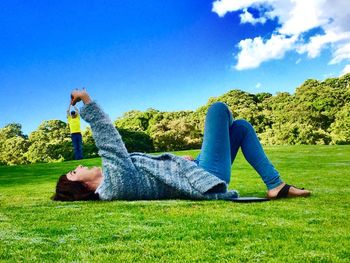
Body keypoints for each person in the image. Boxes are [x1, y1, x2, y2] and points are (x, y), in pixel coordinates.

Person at [53, 89, 310, 201]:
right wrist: (87, 100)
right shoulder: (114, 184)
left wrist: (179, 163)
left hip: (195, 171)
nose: (80, 166)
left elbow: (154, 175)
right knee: (219, 110)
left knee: (241, 127)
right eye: (75, 172)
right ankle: (275, 185)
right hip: (206, 178)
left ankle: (275, 185)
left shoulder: (114, 181)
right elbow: (109, 140)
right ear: (80, 186)